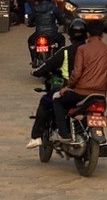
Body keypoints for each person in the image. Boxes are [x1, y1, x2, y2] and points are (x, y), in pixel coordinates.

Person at [27, 20, 88, 148]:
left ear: (70, 36)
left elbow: (48, 65)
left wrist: (35, 73)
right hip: (92, 92)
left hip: (71, 91)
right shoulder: (92, 52)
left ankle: (37, 136)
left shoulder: (65, 51)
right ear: (86, 35)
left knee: (46, 101)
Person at [53, 20, 107, 138]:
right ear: (102, 34)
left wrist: (68, 86)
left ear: (88, 34)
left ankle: (64, 133)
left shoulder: (82, 49)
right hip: (100, 95)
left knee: (57, 101)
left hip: (81, 93)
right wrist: (103, 87)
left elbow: (77, 73)